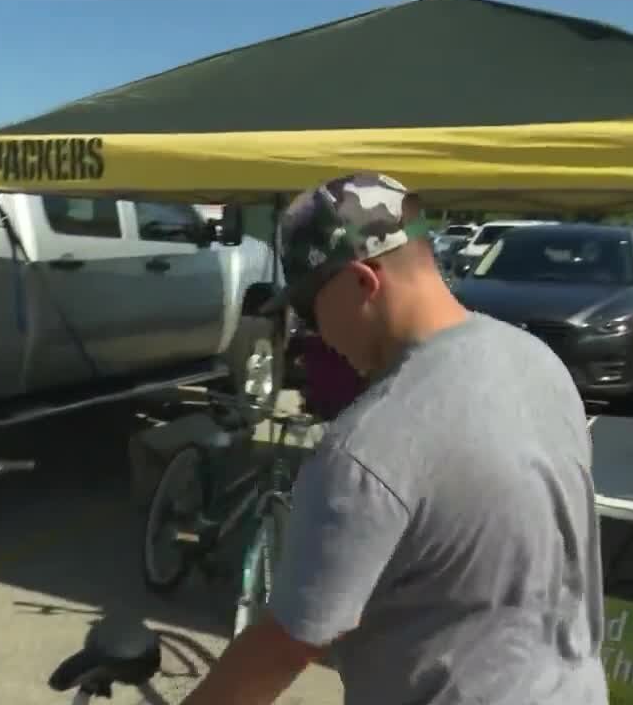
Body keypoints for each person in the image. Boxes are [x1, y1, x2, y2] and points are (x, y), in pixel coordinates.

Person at [180, 173, 607, 705]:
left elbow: (285, 645)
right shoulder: (538, 362)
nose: (317, 336)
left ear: (363, 281)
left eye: (311, 313)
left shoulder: (367, 448)